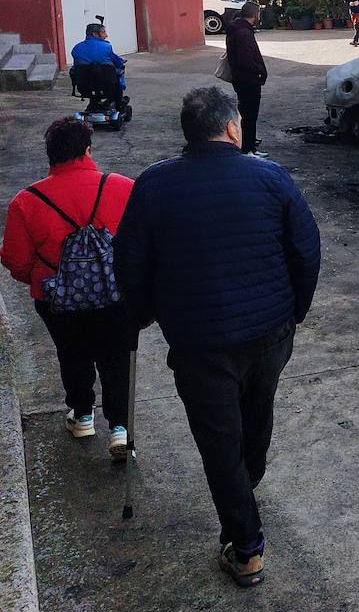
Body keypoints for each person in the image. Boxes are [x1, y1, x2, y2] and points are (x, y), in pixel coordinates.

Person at [114, 87, 321, 589]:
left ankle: (246, 544)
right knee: (257, 406)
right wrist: (296, 310)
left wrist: (142, 314)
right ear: (232, 128)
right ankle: (246, 490)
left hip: (199, 340)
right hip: (269, 331)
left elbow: (130, 264)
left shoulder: (153, 185)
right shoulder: (270, 176)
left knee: (219, 437)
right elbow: (306, 250)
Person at [1, 118, 135, 459]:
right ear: (87, 150)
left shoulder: (25, 202)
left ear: (50, 157)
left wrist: (45, 278)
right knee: (116, 356)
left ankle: (83, 414)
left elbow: (16, 261)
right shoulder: (121, 187)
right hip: (114, 294)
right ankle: (120, 429)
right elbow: (142, 243)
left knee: (72, 352)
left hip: (57, 299)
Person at [225, 2, 268, 157]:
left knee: (246, 113)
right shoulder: (244, 33)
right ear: (255, 15)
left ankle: (248, 145)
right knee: (250, 115)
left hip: (241, 78)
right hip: (248, 79)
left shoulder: (237, 29)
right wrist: (259, 71)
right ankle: (248, 149)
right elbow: (245, 59)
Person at [71, 22, 127, 90]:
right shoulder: (106, 47)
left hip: (84, 85)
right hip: (107, 84)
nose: (106, 35)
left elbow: (76, 65)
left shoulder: (76, 48)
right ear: (95, 34)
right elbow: (117, 62)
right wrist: (121, 61)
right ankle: (118, 97)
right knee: (120, 69)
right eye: (103, 33)